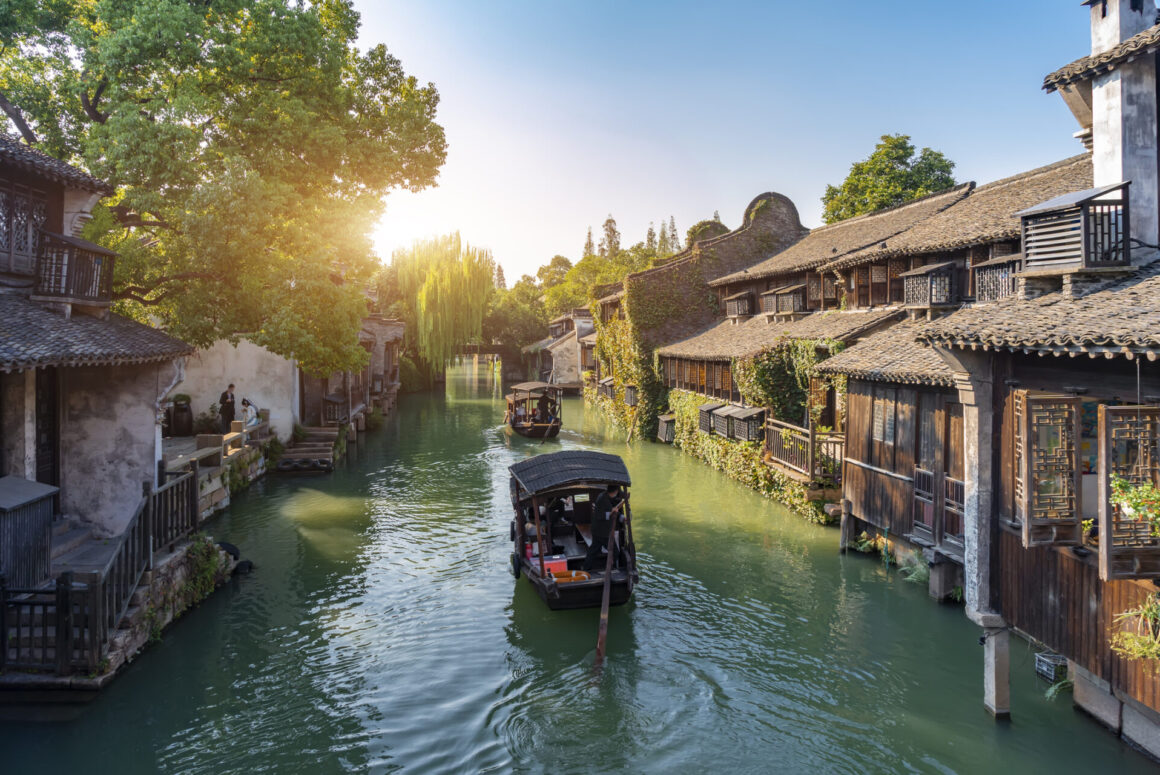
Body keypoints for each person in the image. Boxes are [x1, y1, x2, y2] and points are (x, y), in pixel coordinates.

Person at [583, 483, 626, 571]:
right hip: (602, 532)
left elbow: (613, 511)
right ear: (616, 491)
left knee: (594, 550)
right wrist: (612, 511)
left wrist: (621, 517)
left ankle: (586, 568)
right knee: (615, 552)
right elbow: (600, 515)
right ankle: (610, 569)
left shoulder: (604, 496)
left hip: (599, 531)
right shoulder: (603, 499)